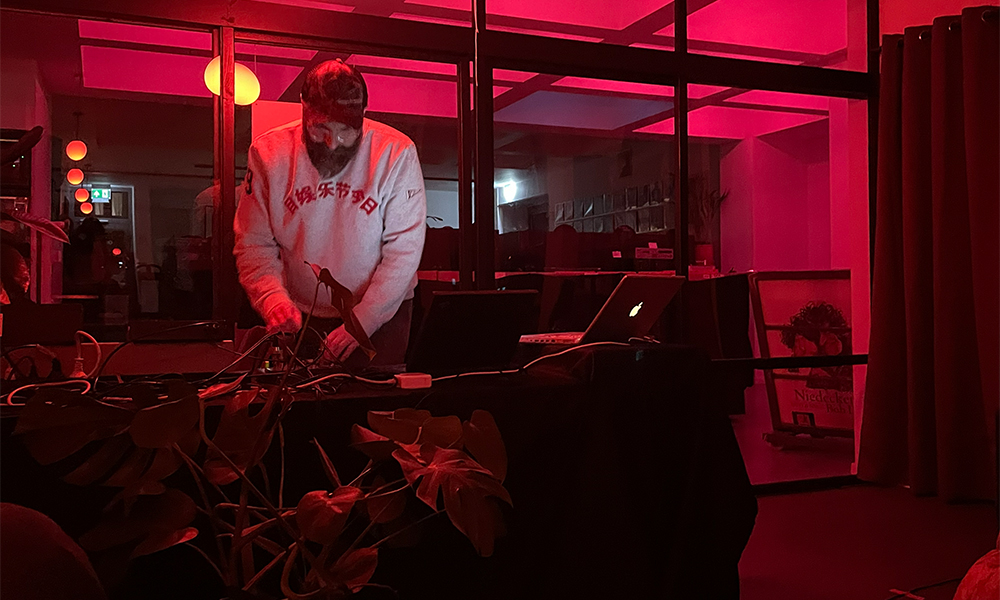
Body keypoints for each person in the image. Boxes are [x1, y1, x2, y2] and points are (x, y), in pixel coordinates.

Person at [234, 59, 427, 366]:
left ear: (363, 114)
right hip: (299, 310)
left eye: (346, 131)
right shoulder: (269, 154)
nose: (332, 143)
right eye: (320, 127)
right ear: (303, 108)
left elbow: (404, 250)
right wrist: (272, 299)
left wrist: (363, 321)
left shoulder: (396, 153)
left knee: (374, 390)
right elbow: (253, 243)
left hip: (384, 310)